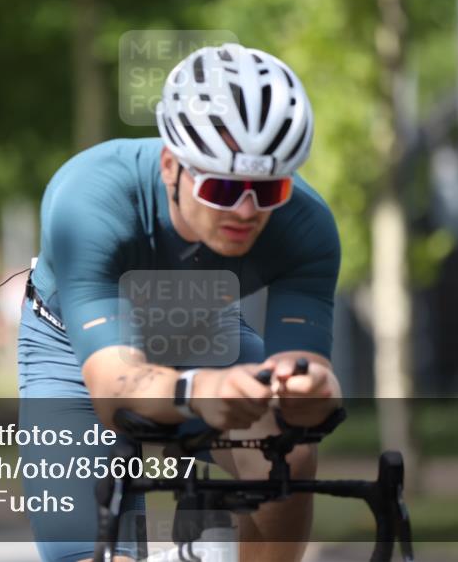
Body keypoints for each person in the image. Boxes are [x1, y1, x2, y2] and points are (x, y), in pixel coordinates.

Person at [18, 43, 342, 562]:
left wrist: (308, 391)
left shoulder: (306, 225)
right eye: (221, 186)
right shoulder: (89, 196)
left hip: (201, 331)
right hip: (73, 347)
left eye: (268, 188)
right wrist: (203, 390)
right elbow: (113, 391)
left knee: (289, 450)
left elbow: (307, 383)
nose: (245, 209)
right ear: (172, 165)